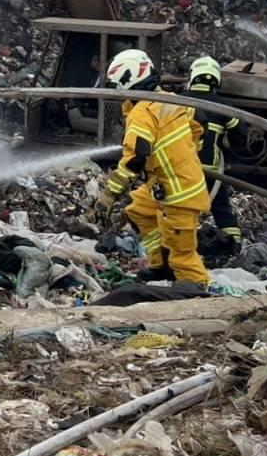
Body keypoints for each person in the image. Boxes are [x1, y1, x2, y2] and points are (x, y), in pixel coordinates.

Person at [87, 49, 212, 286]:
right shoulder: (168, 98)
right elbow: (200, 120)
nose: (117, 91)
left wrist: (108, 195)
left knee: (183, 254)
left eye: (118, 84)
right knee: (140, 210)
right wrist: (186, 152)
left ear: (130, 78)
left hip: (179, 193)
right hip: (166, 182)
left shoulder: (142, 113)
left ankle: (196, 291)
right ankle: (160, 265)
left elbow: (135, 158)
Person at [182, 56, 247, 255]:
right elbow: (240, 137)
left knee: (180, 209)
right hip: (211, 172)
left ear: (193, 76)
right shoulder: (225, 107)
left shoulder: (176, 100)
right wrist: (223, 143)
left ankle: (182, 245)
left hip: (181, 169)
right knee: (221, 209)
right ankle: (233, 247)